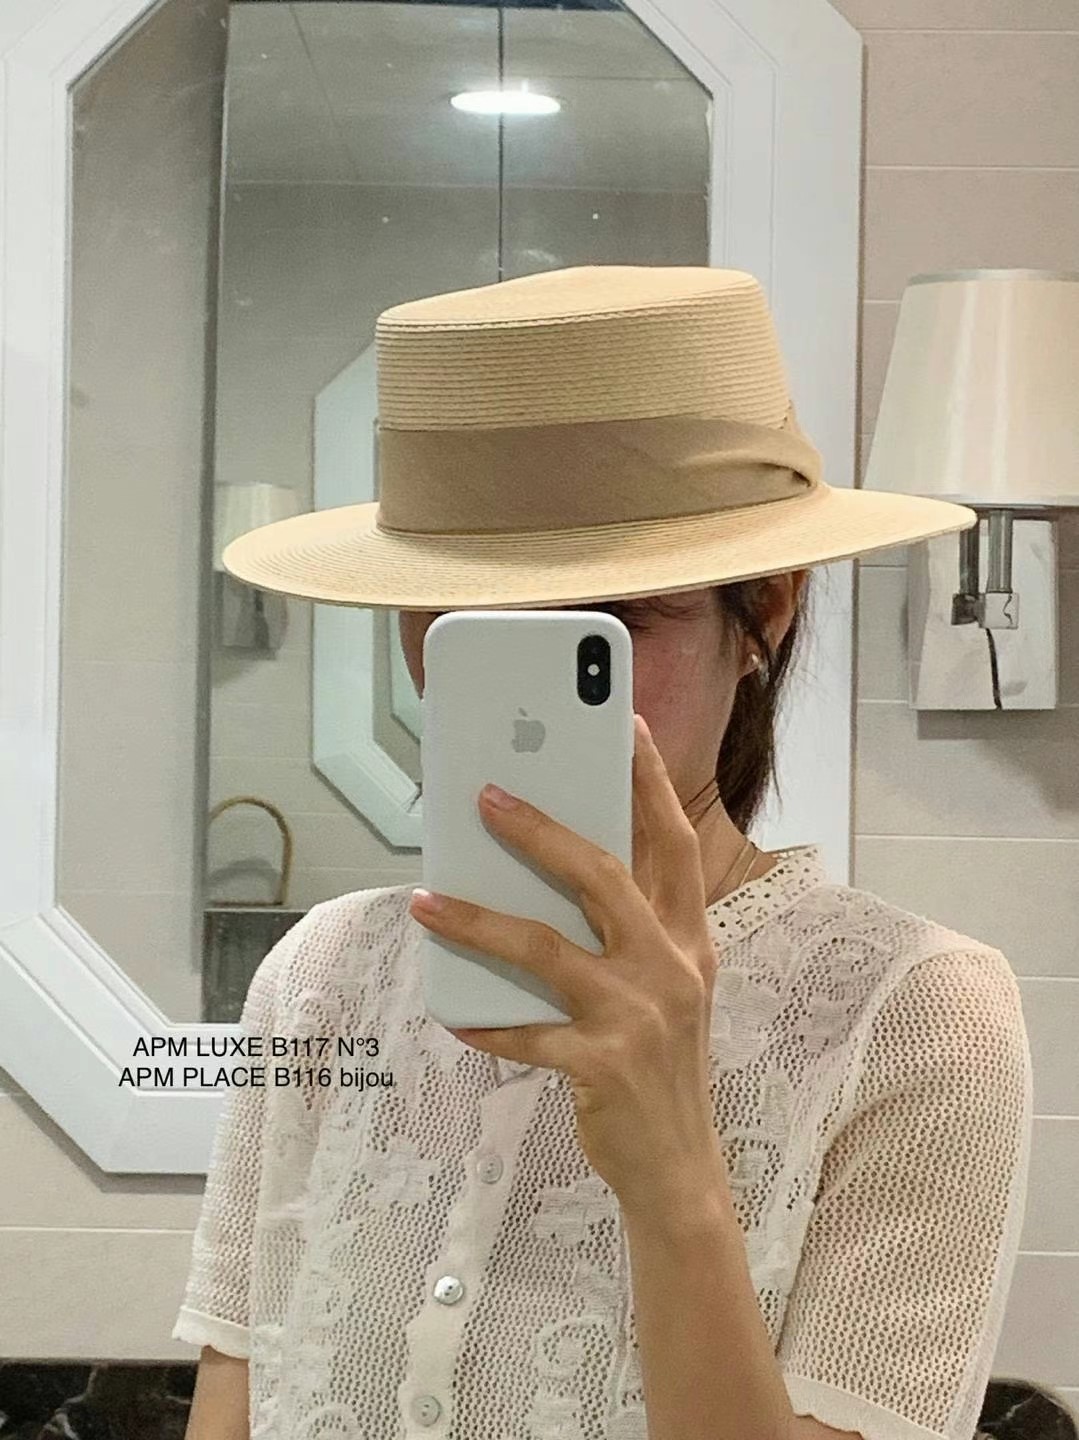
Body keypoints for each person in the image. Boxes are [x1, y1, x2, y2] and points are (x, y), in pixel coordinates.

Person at [174, 266, 1033, 1440]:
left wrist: (673, 1172)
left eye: (610, 623)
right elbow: (234, 1397)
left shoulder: (913, 1019)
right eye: (462, 622)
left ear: (765, 611)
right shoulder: (324, 973)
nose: (525, 694)